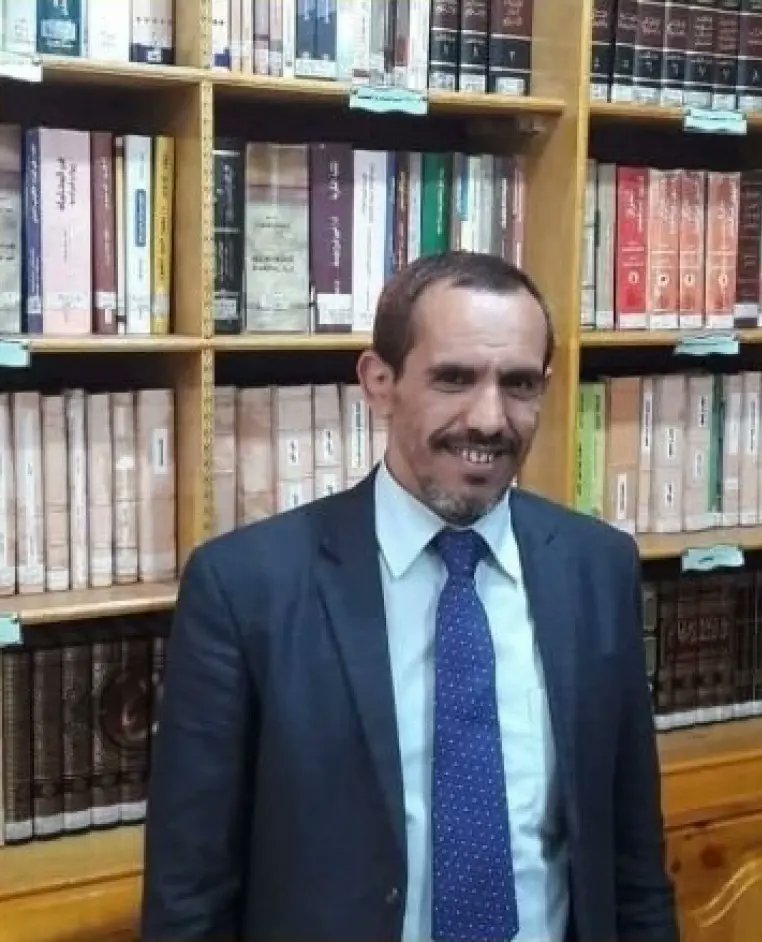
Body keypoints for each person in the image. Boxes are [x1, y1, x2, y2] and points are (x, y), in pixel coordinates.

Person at [140, 251, 679, 942]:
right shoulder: (244, 589)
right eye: (454, 378)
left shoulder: (597, 568)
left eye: (518, 384)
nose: (490, 419)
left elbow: (633, 859)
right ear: (380, 383)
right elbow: (189, 894)